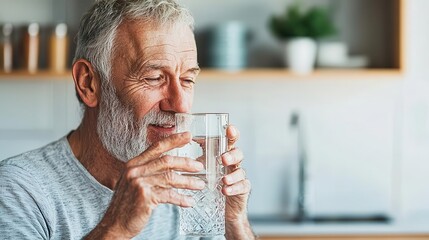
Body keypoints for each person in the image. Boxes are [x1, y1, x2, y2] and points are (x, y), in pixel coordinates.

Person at [0, 0, 256, 239]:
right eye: (154, 78)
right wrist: (117, 226)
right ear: (89, 83)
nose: (180, 105)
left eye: (188, 80)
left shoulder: (189, 187)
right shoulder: (18, 190)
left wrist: (234, 223)